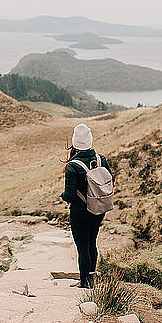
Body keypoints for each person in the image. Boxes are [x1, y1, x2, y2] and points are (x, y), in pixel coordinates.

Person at [61, 123, 113, 288]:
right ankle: (91, 279)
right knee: (92, 242)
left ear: (74, 142)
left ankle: (85, 282)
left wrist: (63, 196)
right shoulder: (100, 159)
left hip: (80, 211)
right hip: (98, 208)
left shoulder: (72, 166)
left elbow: (69, 195)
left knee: (82, 246)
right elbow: (111, 180)